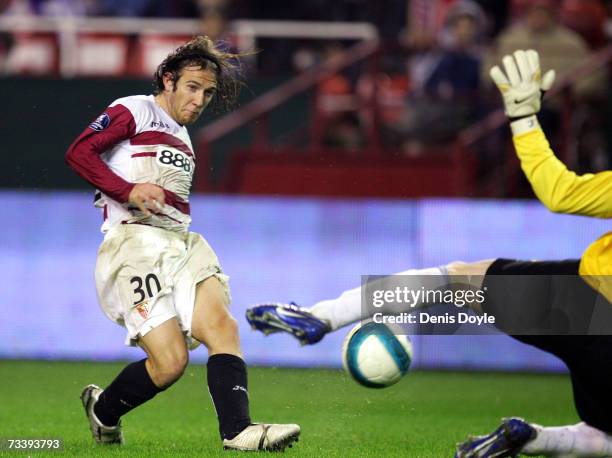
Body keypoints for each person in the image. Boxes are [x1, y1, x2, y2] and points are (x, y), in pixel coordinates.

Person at [246, 49, 612, 457]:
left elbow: (558, 192)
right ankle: (532, 438)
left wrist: (525, 117)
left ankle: (322, 316)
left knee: (453, 278)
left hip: (588, 295)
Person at [65, 36, 300, 452]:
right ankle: (104, 412)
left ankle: (238, 431)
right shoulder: (134, 109)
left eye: (208, 93)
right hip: (133, 245)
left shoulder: (183, 137)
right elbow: (80, 152)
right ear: (168, 80)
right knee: (170, 363)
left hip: (181, 244)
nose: (200, 99)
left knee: (223, 327)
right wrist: (127, 190)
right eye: (193, 87)